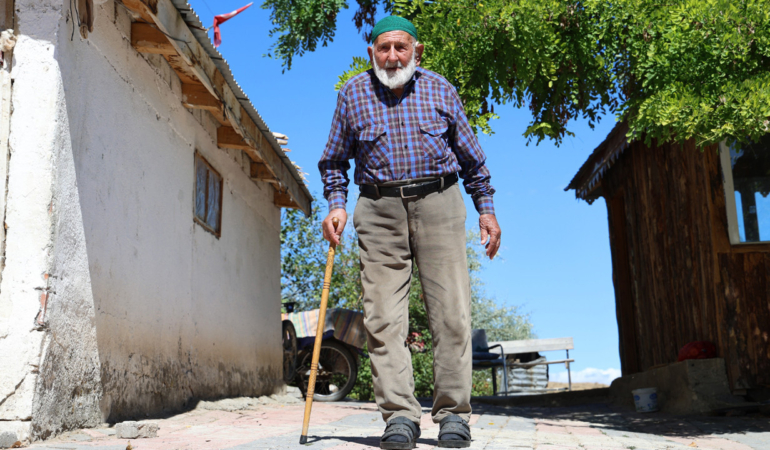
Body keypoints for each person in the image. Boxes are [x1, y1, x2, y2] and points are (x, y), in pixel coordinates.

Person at [318, 15, 501, 449]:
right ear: (372, 53)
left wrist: (487, 211)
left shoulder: (440, 89)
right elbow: (333, 161)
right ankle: (400, 416)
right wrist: (336, 205)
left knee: (451, 315)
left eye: (401, 47)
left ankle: (453, 416)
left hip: (439, 203)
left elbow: (473, 160)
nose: (392, 56)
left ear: (416, 51)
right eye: (384, 48)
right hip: (378, 210)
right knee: (382, 319)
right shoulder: (352, 94)